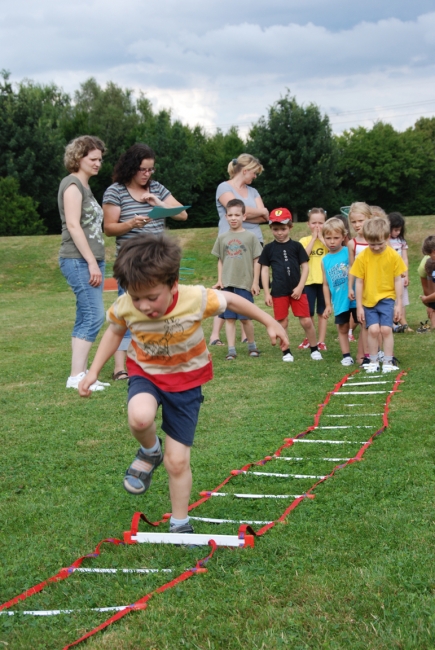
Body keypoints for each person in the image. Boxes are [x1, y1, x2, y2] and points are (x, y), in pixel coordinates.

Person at [78, 234, 288, 534]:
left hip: (187, 383)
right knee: (139, 417)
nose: (144, 306)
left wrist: (269, 321)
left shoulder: (195, 297)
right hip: (146, 374)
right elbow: (114, 332)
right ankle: (150, 451)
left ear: (172, 284)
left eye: (152, 297)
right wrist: (93, 371)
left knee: (177, 461)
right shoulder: (127, 305)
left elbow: (234, 300)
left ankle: (179, 523)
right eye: (137, 298)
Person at [103, 144, 188, 380]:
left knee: (165, 312)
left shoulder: (157, 188)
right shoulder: (115, 191)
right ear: (131, 167)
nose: (148, 174)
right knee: (127, 314)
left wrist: (158, 204)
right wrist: (131, 224)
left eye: (151, 170)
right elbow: (109, 228)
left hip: (160, 262)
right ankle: (120, 368)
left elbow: (182, 214)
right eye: (143, 169)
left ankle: (161, 360)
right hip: (131, 265)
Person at [58, 135, 109, 391]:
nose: (98, 163)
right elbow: (73, 225)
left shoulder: (85, 186)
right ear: (78, 158)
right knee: (94, 315)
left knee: (85, 315)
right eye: (93, 159)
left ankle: (79, 373)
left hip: (91, 260)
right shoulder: (72, 185)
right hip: (78, 260)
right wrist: (91, 262)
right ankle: (77, 376)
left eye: (100, 159)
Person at [209, 154, 268, 346]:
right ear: (245, 170)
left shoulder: (253, 191)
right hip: (230, 242)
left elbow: (264, 216)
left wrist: (251, 213)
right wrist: (250, 212)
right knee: (227, 287)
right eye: (255, 173)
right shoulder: (223, 188)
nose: (255, 177)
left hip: (253, 242)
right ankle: (215, 335)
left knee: (246, 287)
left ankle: (245, 334)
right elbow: (237, 210)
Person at [257, 208, 322, 362]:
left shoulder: (297, 246)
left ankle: (314, 348)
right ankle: (286, 351)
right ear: (271, 229)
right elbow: (265, 270)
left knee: (306, 320)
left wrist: (300, 287)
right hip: (279, 291)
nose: (280, 233)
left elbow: (305, 267)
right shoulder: (268, 249)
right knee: (282, 322)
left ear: (290, 227)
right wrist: (267, 292)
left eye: (283, 229)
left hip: (298, 290)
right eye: (276, 229)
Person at [350, 217, 407, 373]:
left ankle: (388, 361)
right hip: (369, 301)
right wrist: (359, 307)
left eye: (379, 243)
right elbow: (359, 282)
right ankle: (373, 361)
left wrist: (398, 304)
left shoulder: (393, 256)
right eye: (371, 244)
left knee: (386, 330)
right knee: (373, 330)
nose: (375, 247)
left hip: (387, 298)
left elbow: (398, 280)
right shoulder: (362, 257)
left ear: (387, 237)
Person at [211, 199, 262, 360]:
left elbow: (257, 260)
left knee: (245, 318)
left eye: (237, 215)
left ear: (244, 216)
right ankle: (231, 350)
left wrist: (255, 282)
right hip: (227, 285)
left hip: (244, 284)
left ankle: (252, 346)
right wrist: (220, 280)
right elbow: (220, 260)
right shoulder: (222, 238)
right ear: (226, 216)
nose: (233, 218)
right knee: (230, 318)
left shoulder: (251, 237)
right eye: (230, 215)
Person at [321, 218, 357, 366]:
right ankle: (346, 355)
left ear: (343, 236)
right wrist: (328, 305)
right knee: (342, 328)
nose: (332, 242)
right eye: (328, 238)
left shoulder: (348, 251)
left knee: (365, 323)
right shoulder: (324, 260)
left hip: (355, 297)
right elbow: (325, 284)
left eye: (336, 238)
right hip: (339, 300)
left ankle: (372, 352)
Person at [298, 208, 329, 351]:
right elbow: (303, 256)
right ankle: (310, 338)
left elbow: (333, 251)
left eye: (321, 223)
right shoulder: (304, 241)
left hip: (324, 282)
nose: (317, 226)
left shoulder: (328, 240)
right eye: (314, 223)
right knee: (307, 313)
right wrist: (313, 239)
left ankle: (321, 341)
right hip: (308, 282)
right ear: (308, 224)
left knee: (322, 312)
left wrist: (322, 239)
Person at [347, 202, 372, 365]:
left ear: (369, 219)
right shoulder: (352, 244)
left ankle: (378, 353)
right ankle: (362, 356)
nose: (357, 225)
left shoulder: (377, 240)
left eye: (360, 221)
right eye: (354, 222)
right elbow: (352, 267)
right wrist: (350, 287)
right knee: (363, 322)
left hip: (377, 287)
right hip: (360, 288)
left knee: (378, 323)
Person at [388, 212, 412, 332]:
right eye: (395, 229)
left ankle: (402, 321)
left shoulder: (401, 241)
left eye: (399, 230)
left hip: (400, 273)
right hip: (388, 274)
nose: (397, 232)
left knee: (401, 297)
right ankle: (396, 322)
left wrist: (406, 274)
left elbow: (405, 258)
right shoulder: (384, 241)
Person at [418, 236, 435, 331]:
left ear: (433, 251)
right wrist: (431, 306)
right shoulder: (426, 264)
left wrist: (426, 299)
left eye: (429, 254)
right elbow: (428, 290)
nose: (427, 257)